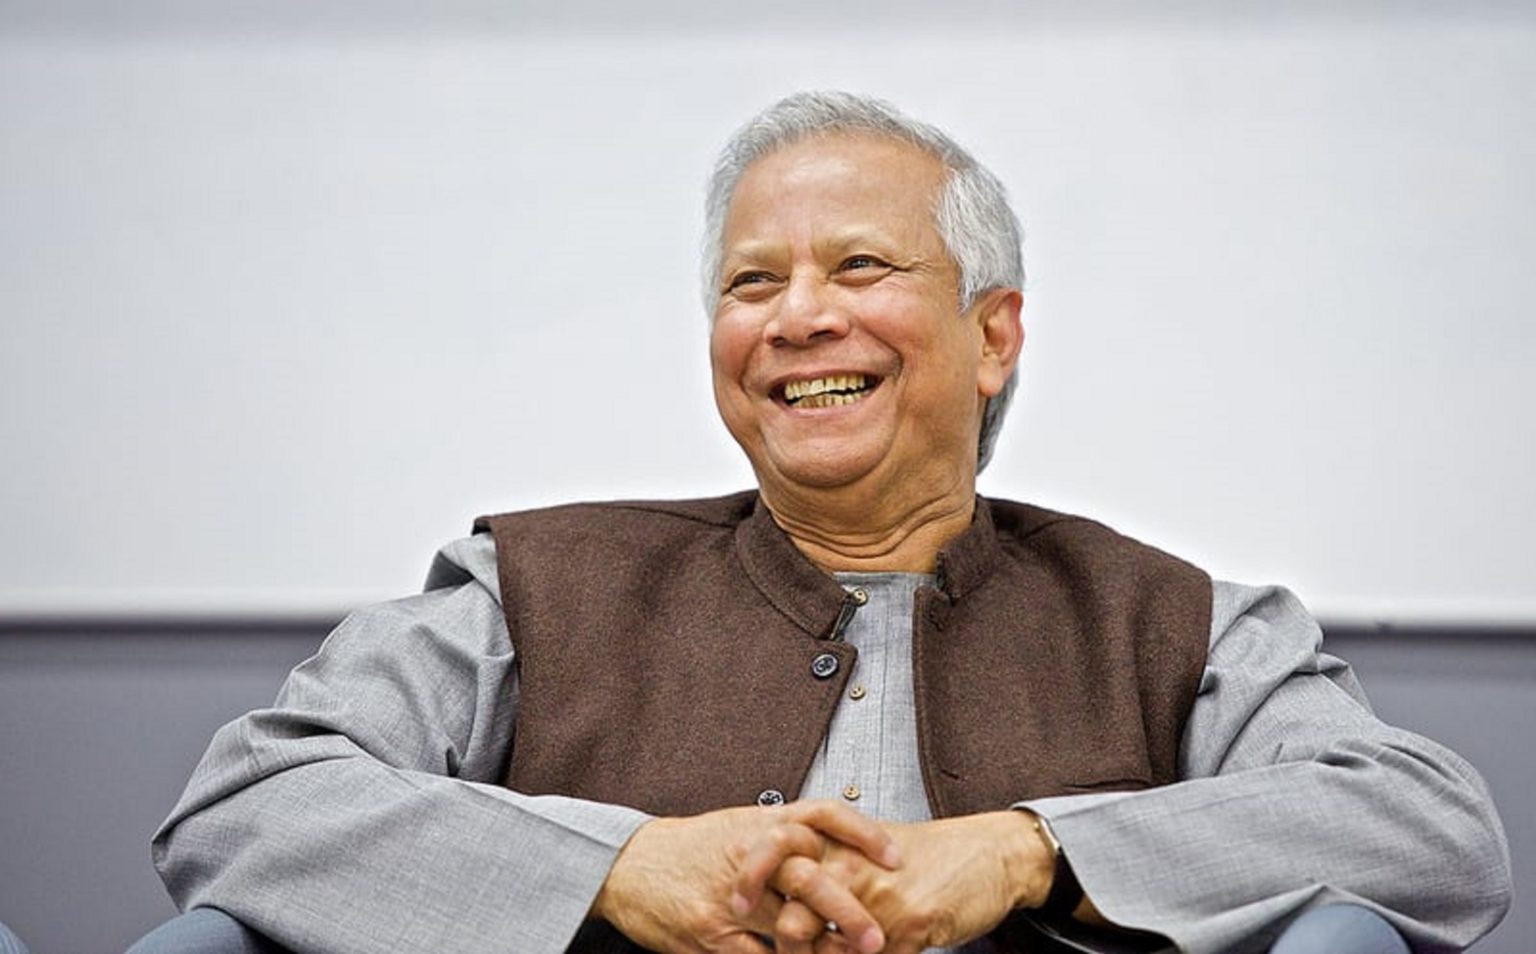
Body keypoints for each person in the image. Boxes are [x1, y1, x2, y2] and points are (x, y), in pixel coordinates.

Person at [142, 92, 1510, 954]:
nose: (798, 316)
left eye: (860, 265)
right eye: (753, 283)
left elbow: (1427, 826)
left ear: (993, 334)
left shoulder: (1176, 622)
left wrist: (1028, 851)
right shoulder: (531, 589)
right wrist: (617, 866)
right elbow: (252, 799)